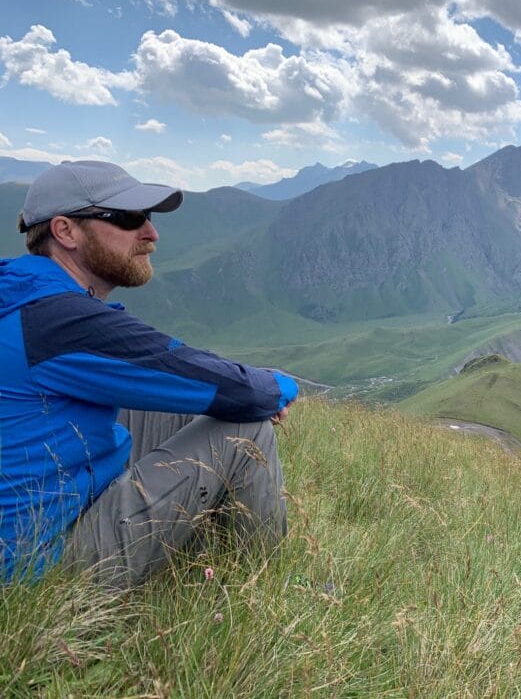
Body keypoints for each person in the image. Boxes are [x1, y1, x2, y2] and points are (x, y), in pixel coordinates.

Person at [0, 160, 298, 587]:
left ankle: (203, 564)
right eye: (127, 218)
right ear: (65, 232)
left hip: (29, 526)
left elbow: (181, 373)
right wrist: (281, 385)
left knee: (183, 410)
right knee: (244, 427)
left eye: (149, 217)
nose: (151, 234)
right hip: (36, 566)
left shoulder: (25, 297)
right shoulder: (58, 321)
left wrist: (246, 384)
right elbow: (234, 390)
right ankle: (266, 592)